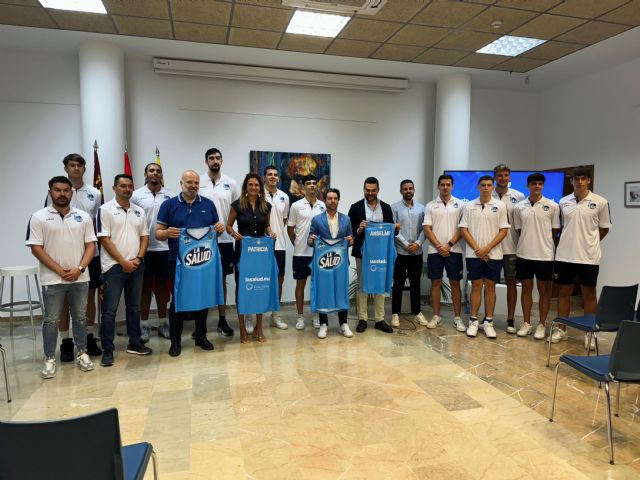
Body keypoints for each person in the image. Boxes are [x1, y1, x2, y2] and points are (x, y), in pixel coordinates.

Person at [27, 176, 96, 378]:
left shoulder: (83, 217)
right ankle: (49, 358)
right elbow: (36, 249)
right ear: (50, 192)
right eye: (57, 190)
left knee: (81, 317)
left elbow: (91, 245)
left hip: (79, 278)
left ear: (71, 193)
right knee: (51, 320)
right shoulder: (38, 217)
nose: (62, 194)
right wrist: (59, 270)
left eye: (66, 190)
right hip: (52, 279)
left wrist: (80, 268)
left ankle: (82, 352)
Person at [157, 170, 226, 357]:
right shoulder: (169, 204)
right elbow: (158, 232)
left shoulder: (208, 204)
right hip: (177, 261)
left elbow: (215, 230)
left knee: (202, 298)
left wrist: (219, 229)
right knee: (178, 300)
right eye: (189, 182)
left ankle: (201, 336)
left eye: (196, 182)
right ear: (181, 183)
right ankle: (175, 341)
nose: (193, 185)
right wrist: (167, 233)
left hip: (204, 261)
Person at [46, 154, 102, 361]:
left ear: (85, 169)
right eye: (72, 165)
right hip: (62, 256)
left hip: (90, 255)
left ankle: (88, 337)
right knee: (65, 300)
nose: (76, 168)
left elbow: (97, 225)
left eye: (79, 165)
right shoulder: (57, 193)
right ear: (66, 168)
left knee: (88, 298)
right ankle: (66, 341)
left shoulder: (95, 193)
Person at [552, 166, 611, 347]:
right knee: (564, 293)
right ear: (571, 181)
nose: (579, 182)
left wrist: (590, 243)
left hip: (589, 257)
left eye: (583, 178)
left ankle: (589, 333)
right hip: (565, 256)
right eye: (576, 179)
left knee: (589, 295)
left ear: (588, 180)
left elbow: (604, 227)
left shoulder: (600, 202)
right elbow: (559, 227)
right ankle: (561, 330)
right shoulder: (563, 202)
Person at [97, 174, 151, 367]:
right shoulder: (105, 210)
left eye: (130, 186)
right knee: (110, 311)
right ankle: (108, 351)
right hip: (113, 267)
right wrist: (122, 261)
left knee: (134, 307)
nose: (127, 189)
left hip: (136, 266)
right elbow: (104, 239)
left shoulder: (139, 211)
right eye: (123, 186)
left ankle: (135, 343)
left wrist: (138, 258)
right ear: (114, 188)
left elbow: (145, 236)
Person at [227, 173, 277, 343]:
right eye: (250, 185)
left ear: (260, 188)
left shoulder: (266, 206)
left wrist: (271, 233)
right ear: (246, 187)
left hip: (261, 251)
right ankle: (242, 329)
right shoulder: (237, 205)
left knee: (260, 286)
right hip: (244, 251)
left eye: (256, 185)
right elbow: (228, 226)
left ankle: (259, 328)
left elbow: (267, 226)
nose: (254, 187)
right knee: (243, 287)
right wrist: (235, 234)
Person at [459, 175, 509, 339]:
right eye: (483, 185)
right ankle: (473, 321)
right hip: (474, 254)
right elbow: (463, 229)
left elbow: (504, 230)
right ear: (478, 187)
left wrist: (487, 248)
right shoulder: (469, 206)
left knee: (490, 287)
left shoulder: (500, 206)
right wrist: (478, 249)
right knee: (475, 286)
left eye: (489, 185)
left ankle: (488, 322)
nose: (486, 187)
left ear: (493, 187)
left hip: (494, 254)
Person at [513, 173, 560, 340]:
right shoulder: (519, 207)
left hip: (545, 255)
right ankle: (526, 323)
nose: (537, 186)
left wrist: (545, 245)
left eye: (540, 183)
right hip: (524, 254)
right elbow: (519, 230)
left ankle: (541, 325)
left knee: (544, 291)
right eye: (534, 183)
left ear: (543, 186)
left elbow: (555, 232)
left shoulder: (553, 206)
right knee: (526, 289)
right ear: (528, 186)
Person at [131, 163, 175, 341]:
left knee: (164, 287)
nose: (155, 173)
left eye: (158, 171)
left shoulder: (170, 195)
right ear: (145, 174)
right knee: (145, 288)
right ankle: (144, 325)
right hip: (144, 249)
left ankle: (164, 322)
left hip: (165, 248)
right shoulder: (136, 195)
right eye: (151, 171)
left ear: (161, 175)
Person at [199, 147, 239, 337]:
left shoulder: (230, 183)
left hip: (223, 241)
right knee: (203, 279)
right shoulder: (198, 182)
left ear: (222, 161)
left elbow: (238, 209)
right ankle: (201, 324)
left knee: (222, 280)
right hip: (200, 241)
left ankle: (222, 320)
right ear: (206, 161)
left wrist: (231, 229)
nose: (215, 161)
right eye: (211, 158)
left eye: (218, 158)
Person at [348, 177, 396, 334]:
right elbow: (350, 231)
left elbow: (390, 231)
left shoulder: (387, 208)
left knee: (380, 284)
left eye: (373, 190)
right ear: (364, 190)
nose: (370, 193)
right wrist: (359, 229)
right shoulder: (355, 208)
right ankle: (362, 319)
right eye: (367, 190)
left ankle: (379, 320)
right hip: (363, 252)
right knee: (363, 285)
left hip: (381, 253)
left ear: (378, 190)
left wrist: (396, 229)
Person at [308, 188, 354, 339]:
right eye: (329, 198)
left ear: (338, 200)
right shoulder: (317, 220)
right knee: (323, 291)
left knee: (341, 290)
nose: (332, 201)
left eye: (335, 198)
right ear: (325, 200)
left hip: (340, 263)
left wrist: (351, 241)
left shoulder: (346, 219)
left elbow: (350, 239)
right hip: (323, 264)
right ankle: (323, 325)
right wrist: (312, 240)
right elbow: (310, 240)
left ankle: (343, 324)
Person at [423, 174, 465, 331]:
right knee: (435, 282)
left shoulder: (460, 205)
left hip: (454, 250)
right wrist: (440, 246)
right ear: (438, 186)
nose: (445, 187)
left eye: (448, 184)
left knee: (455, 283)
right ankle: (436, 316)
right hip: (435, 251)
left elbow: (463, 229)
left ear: (452, 186)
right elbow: (427, 228)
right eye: (442, 184)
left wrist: (449, 245)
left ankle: (458, 318)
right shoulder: (431, 205)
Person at [287, 174, 326, 330]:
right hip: (301, 253)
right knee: (300, 284)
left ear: (316, 186)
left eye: (313, 183)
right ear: (303, 187)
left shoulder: (323, 205)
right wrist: (296, 242)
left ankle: (316, 315)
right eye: (308, 183)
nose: (311, 185)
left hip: (319, 253)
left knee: (318, 285)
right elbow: (290, 228)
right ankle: (300, 316)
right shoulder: (296, 206)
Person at [492, 164, 525, 334]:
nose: (503, 178)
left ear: (509, 177)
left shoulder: (518, 197)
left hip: (512, 247)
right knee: (490, 284)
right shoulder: (487, 194)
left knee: (511, 283)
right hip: (492, 249)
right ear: (494, 177)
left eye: (506, 175)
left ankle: (510, 319)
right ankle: (488, 317)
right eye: (500, 175)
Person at [390, 179, 426, 328]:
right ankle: (395, 314)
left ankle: (417, 312)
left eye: (410, 188)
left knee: (416, 284)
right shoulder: (394, 208)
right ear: (401, 191)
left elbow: (426, 228)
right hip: (400, 253)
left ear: (414, 190)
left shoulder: (421, 208)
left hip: (417, 253)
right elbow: (394, 230)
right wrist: (406, 245)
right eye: (405, 189)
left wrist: (417, 243)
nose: (408, 191)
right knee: (397, 284)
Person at [263, 165, 290, 330]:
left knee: (279, 280)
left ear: (278, 178)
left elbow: (284, 221)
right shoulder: (258, 195)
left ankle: (276, 315)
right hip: (262, 246)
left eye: (275, 175)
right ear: (264, 177)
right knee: (259, 279)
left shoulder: (284, 197)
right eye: (269, 174)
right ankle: (253, 315)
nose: (272, 177)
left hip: (279, 245)